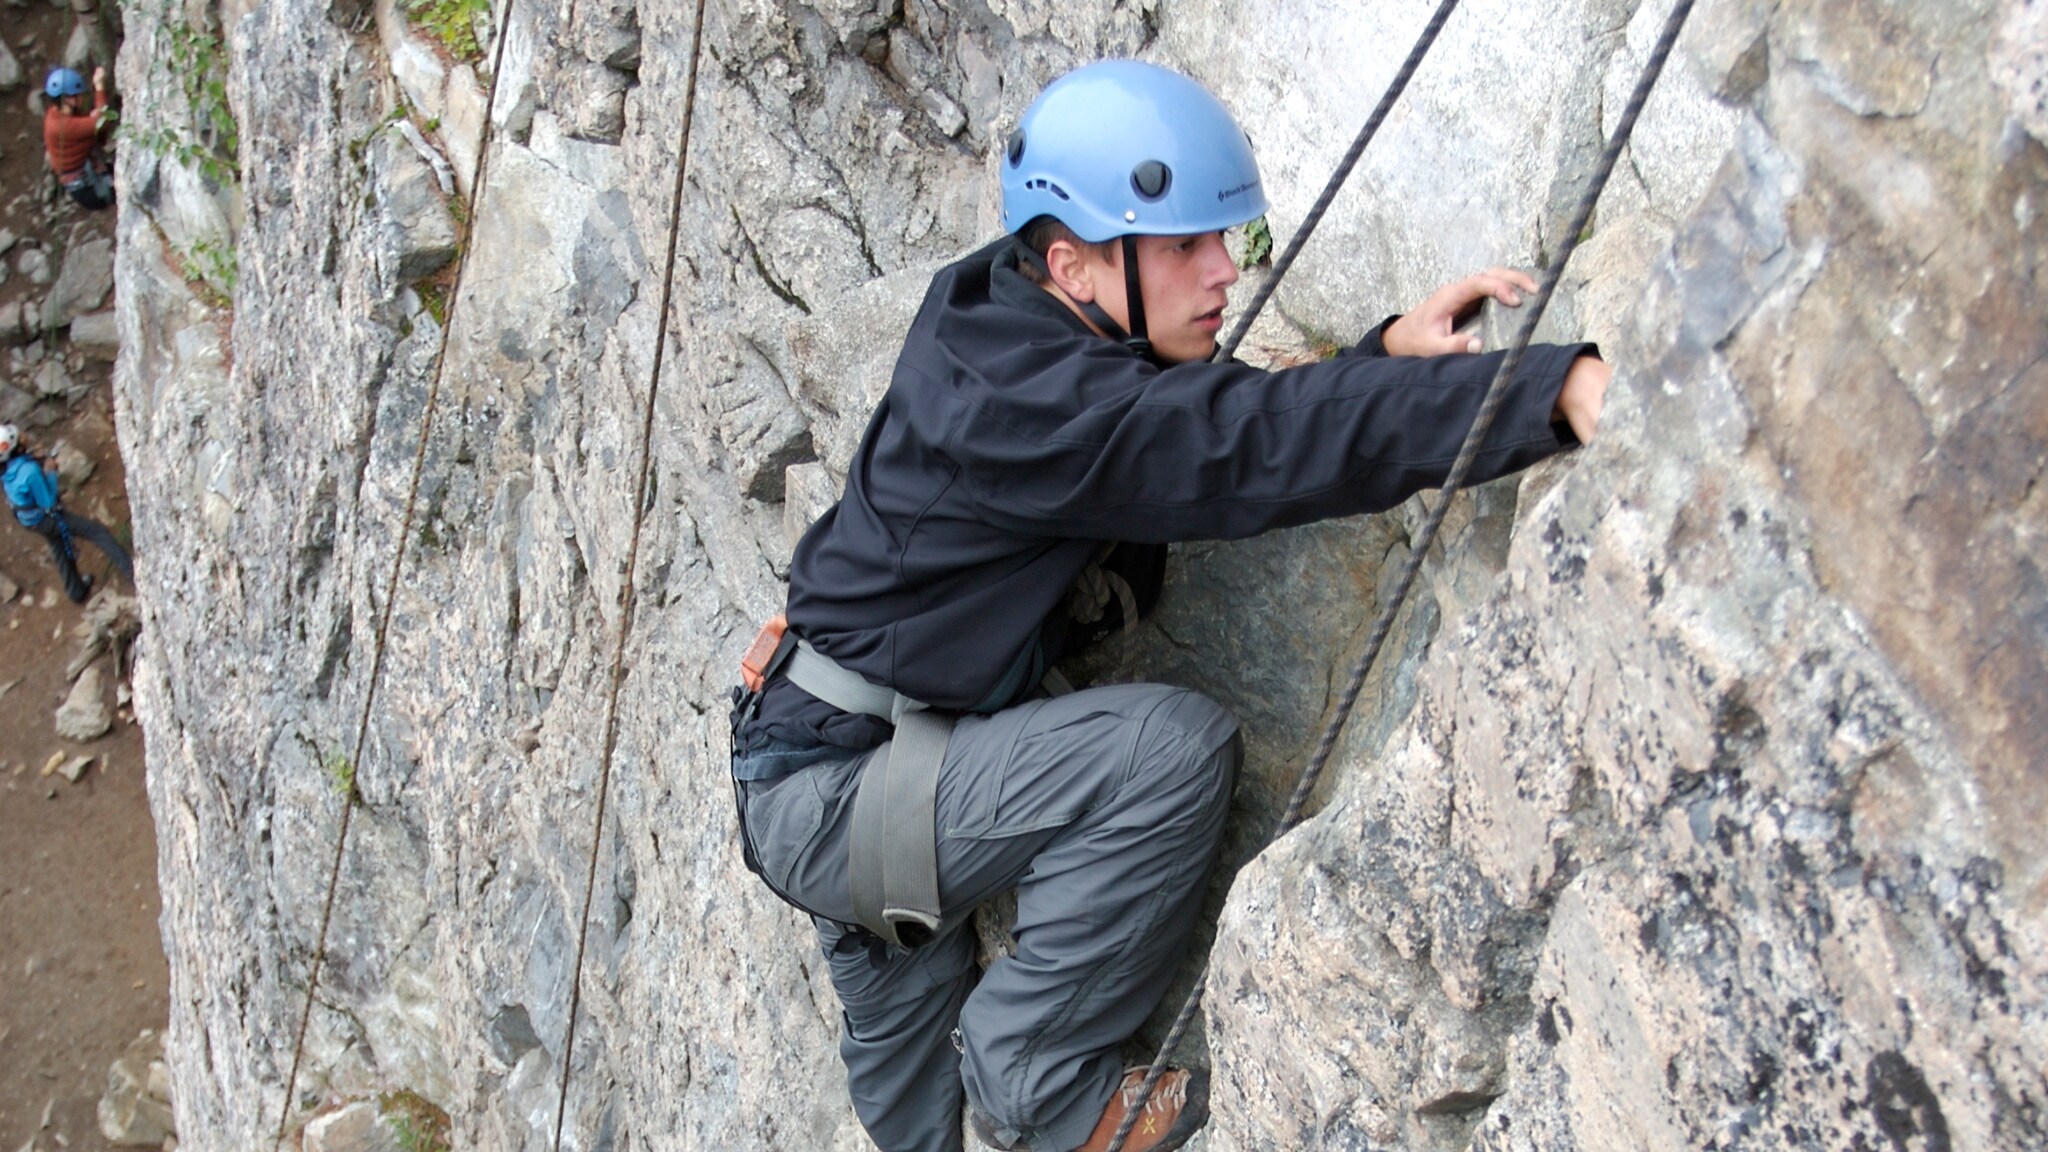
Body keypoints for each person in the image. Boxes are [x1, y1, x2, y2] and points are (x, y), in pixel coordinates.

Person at [726, 60, 1611, 1152]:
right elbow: (1242, 443)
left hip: (825, 761)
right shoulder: (1028, 402)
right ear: (1073, 262)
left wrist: (1377, 359)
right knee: (1166, 749)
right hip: (847, 793)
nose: (1221, 273)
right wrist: (1547, 394)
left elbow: (1193, 419)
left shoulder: (1003, 310)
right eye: (1183, 245)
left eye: (1221, 238)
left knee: (914, 1135)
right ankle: (1038, 1084)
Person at [1, 424, 132, 602]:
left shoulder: (6, 470)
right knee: (96, 531)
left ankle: (76, 591)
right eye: (20, 439)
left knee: (59, 547)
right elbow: (48, 501)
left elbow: (20, 471)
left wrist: (32, 457)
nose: (24, 437)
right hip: (46, 518)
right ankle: (132, 572)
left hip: (29, 520)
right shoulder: (29, 472)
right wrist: (51, 472)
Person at [43, 66, 114, 211]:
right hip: (91, 189)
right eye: (79, 95)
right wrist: (99, 87)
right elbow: (102, 121)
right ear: (69, 99)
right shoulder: (62, 126)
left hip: (90, 175)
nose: (82, 97)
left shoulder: (55, 113)